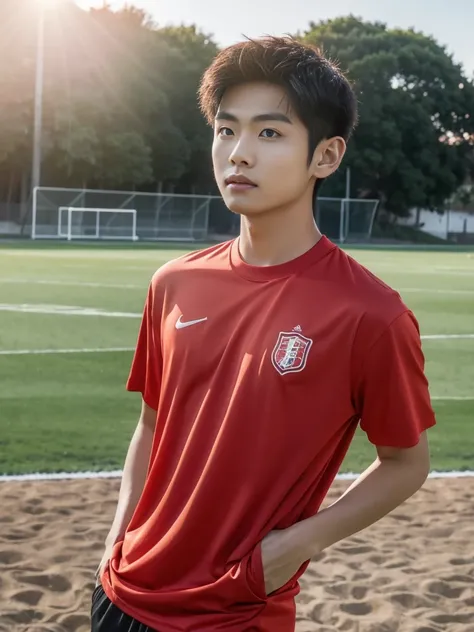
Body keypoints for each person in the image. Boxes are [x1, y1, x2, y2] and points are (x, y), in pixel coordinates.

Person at [91, 36, 436, 632]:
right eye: (227, 130)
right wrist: (118, 536)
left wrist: (297, 545)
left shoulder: (370, 315)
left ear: (325, 157)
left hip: (235, 610)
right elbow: (151, 423)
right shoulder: (173, 282)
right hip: (121, 592)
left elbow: (406, 463)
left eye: (269, 133)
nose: (238, 154)